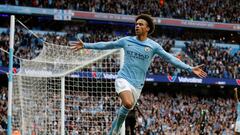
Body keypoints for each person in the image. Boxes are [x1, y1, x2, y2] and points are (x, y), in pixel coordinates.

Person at [71, 14, 207, 135]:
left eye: (141, 24)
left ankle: (114, 130)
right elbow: (108, 45)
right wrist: (86, 45)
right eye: (136, 24)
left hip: (137, 85)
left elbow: (170, 58)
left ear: (147, 28)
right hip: (123, 78)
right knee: (128, 103)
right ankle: (116, 130)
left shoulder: (153, 46)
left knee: (127, 107)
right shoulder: (127, 40)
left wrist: (190, 68)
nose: (137, 26)